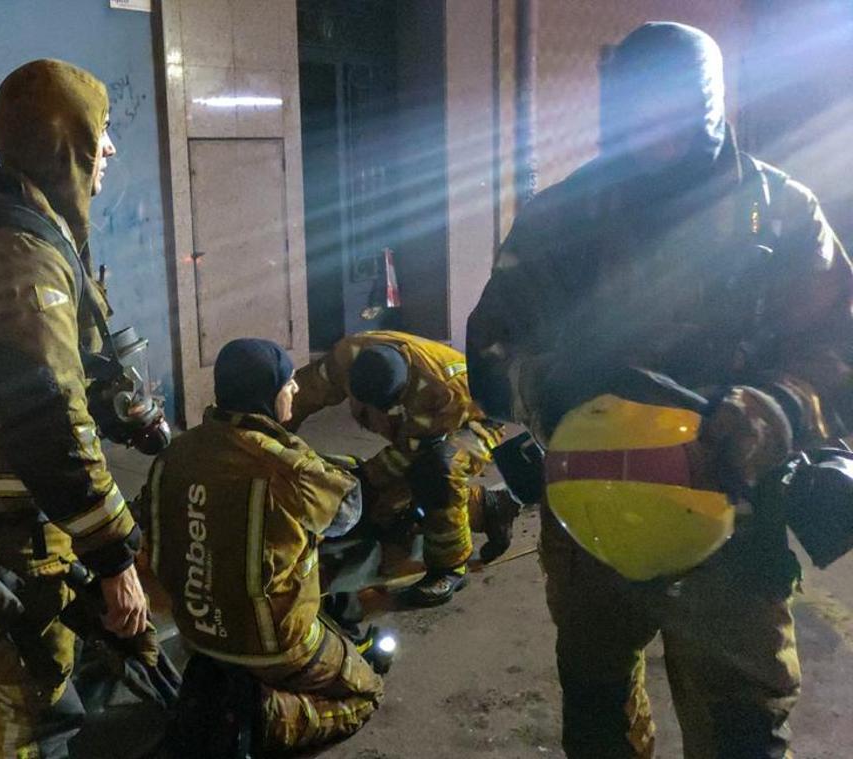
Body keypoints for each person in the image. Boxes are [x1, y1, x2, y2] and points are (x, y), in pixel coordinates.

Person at [466, 22, 853, 759]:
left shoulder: (779, 212)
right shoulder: (561, 218)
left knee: (744, 731)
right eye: (638, 113)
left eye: (677, 113)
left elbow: (840, 346)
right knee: (595, 710)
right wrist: (546, 384)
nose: (655, 133)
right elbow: (489, 349)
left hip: (732, 528)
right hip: (590, 520)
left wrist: (768, 412)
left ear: (712, 106)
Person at [0, 59, 150, 758]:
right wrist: (115, 553)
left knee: (27, 684)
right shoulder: (18, 250)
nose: (110, 149)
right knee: (19, 704)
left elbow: (55, 371)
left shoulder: (15, 223)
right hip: (15, 527)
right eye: (102, 131)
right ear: (67, 141)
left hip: (13, 516)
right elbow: (45, 417)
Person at [140, 338, 384, 754]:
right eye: (288, 383)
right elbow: (346, 512)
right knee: (365, 694)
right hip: (271, 641)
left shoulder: (174, 455)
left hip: (196, 630)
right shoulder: (286, 466)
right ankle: (264, 715)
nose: (295, 390)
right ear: (268, 393)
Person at [287, 330, 521, 607]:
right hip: (416, 427)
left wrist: (363, 481)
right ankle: (489, 507)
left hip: (476, 423)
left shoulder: (440, 389)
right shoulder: (346, 358)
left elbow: (410, 453)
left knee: (435, 471)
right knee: (383, 496)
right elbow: (301, 393)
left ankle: (450, 569)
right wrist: (273, 434)